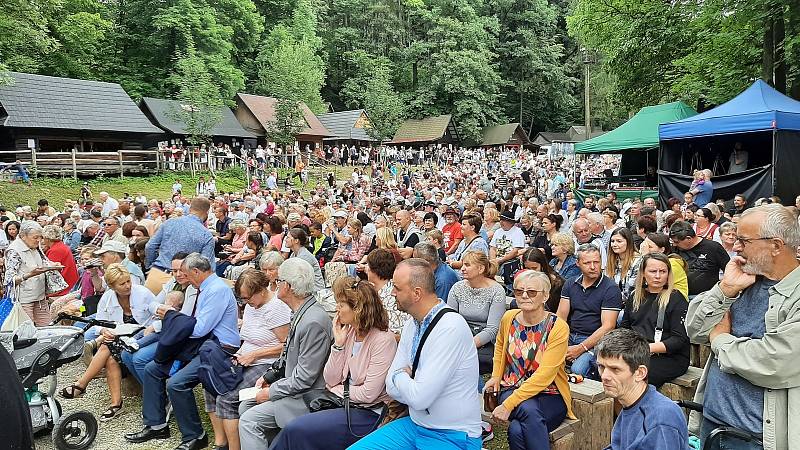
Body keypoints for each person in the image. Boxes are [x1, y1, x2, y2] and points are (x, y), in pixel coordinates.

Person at [686, 204, 800, 450]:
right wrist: (724, 290)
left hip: (757, 439)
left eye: (743, 241)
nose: (735, 247)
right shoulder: (742, 280)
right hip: (712, 423)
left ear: (776, 246)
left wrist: (719, 340)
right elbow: (694, 330)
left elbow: (774, 362)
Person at [349, 258, 482, 450]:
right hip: (415, 426)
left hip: (453, 435)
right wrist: (406, 380)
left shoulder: (450, 327)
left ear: (416, 293)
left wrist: (400, 375)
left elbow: (420, 398)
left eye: (397, 288)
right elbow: (391, 386)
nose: (392, 293)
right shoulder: (413, 322)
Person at [126, 253, 240, 449]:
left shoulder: (217, 290)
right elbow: (193, 328)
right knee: (153, 369)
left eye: (187, 273)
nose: (184, 277)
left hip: (219, 347)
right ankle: (156, 424)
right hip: (201, 344)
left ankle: (195, 436)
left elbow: (199, 329)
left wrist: (170, 315)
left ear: (196, 271)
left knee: (177, 383)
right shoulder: (201, 288)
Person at [271, 277, 398, 449]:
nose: (337, 308)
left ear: (358, 309)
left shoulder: (383, 340)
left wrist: (339, 391)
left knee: (297, 429)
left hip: (369, 412)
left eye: (341, 304)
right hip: (343, 404)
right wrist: (338, 345)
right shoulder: (350, 332)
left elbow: (369, 394)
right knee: (290, 429)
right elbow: (330, 379)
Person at [237, 258, 333, 449]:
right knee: (245, 405)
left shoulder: (312, 320)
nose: (274, 284)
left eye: (279, 281)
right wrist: (269, 376)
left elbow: (305, 379)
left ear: (288, 286)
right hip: (294, 388)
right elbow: (288, 354)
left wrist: (270, 392)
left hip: (307, 397)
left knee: (249, 420)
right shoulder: (301, 312)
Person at [484, 271, 576, 450]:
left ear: (546, 296)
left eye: (532, 292)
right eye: (519, 291)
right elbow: (500, 346)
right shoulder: (509, 318)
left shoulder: (557, 327)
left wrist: (508, 406)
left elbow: (544, 376)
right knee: (528, 410)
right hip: (511, 387)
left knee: (517, 430)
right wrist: (496, 376)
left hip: (550, 394)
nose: (524, 295)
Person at [205, 269, 291, 450]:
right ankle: (221, 442)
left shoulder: (276, 308)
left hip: (267, 364)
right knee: (211, 385)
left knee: (228, 398)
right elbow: (253, 334)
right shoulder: (254, 306)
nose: (245, 303)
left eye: (247, 298)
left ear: (261, 290)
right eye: (242, 299)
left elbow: (287, 346)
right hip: (245, 358)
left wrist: (255, 354)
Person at [59, 264, 153, 421]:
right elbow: (100, 323)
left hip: (143, 335)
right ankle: (115, 403)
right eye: (122, 284)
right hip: (121, 337)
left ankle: (82, 384)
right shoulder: (107, 298)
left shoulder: (143, 294)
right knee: (109, 355)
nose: (128, 286)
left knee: (106, 346)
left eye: (128, 281)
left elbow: (156, 318)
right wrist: (104, 331)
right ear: (112, 286)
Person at [597, 329, 689, 450]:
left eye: (615, 369)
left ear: (640, 373)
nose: (604, 376)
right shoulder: (629, 404)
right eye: (601, 366)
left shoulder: (661, 420)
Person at [619, 253, 689, 387]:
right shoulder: (635, 296)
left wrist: (646, 348)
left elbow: (679, 339)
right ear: (643, 273)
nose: (658, 276)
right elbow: (625, 329)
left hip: (668, 357)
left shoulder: (676, 298)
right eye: (653, 271)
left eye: (663, 271)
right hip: (638, 352)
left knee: (634, 374)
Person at [557, 243, 622, 378]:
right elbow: (560, 317)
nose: (593, 267)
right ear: (578, 263)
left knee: (578, 369)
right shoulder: (570, 283)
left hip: (594, 340)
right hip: (569, 334)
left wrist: (581, 348)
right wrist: (559, 341)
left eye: (596, 262)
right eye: (587, 263)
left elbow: (608, 326)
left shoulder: (611, 288)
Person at [447, 250, 506, 380]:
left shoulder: (496, 291)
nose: (462, 268)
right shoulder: (457, 288)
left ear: (480, 269)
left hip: (485, 341)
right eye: (462, 264)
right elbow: (450, 320)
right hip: (460, 335)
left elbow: (493, 329)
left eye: (467, 265)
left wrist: (468, 345)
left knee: (464, 363)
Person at [144, 197, 216, 294]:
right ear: (207, 212)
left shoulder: (169, 222)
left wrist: (151, 266)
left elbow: (150, 246)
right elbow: (207, 266)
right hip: (183, 283)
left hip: (157, 274)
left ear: (190, 209)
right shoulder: (206, 235)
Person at [4, 221, 60, 326]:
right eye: (35, 237)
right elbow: (9, 279)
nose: (39, 240)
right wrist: (30, 274)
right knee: (27, 330)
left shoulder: (35, 247)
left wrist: (53, 265)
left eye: (40, 237)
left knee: (46, 327)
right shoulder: (14, 251)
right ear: (23, 236)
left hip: (40, 296)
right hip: (24, 299)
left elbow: (43, 261)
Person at [669, 221, 730, 297]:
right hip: (681, 296)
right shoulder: (674, 249)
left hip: (708, 297)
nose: (674, 244)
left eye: (677, 242)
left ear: (688, 238)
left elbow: (729, 270)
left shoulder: (713, 247)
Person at [365, 248, 409, 335]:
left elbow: (397, 333)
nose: (366, 268)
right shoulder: (391, 289)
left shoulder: (392, 297)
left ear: (374, 270)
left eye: (368, 265)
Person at [639, 233, 689, 300]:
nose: (645, 249)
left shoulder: (672, 263)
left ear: (662, 250)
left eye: (650, 247)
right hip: (656, 296)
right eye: (644, 246)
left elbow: (643, 280)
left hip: (674, 300)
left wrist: (644, 256)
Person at [521, 247, 565, 313]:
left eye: (534, 268)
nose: (531, 272)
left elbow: (552, 308)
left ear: (542, 266)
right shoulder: (525, 277)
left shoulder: (557, 283)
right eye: (527, 268)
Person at [490, 210, 526, 290]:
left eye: (504, 220)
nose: (501, 222)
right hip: (496, 260)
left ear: (511, 222)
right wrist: (493, 260)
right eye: (501, 220)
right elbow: (492, 248)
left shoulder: (518, 232)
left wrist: (500, 260)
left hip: (510, 260)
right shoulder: (498, 231)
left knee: (503, 268)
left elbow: (516, 251)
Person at [605, 227, 640, 307]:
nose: (614, 244)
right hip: (613, 303)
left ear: (628, 242)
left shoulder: (637, 261)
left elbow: (630, 292)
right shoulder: (612, 261)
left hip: (631, 306)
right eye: (612, 241)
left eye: (619, 241)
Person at [41, 224, 78, 296]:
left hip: (65, 285)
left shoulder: (56, 250)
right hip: (69, 282)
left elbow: (50, 272)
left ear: (47, 238)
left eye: (43, 238)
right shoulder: (60, 246)